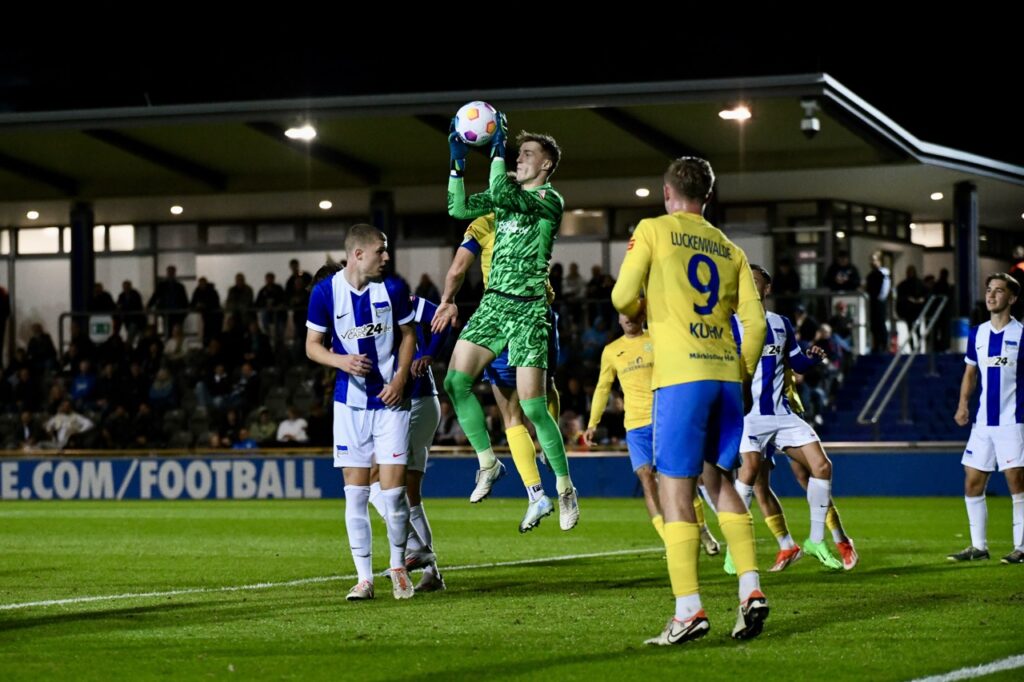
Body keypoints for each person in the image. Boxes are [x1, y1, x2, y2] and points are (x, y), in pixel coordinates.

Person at [611, 156, 768, 646]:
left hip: (680, 377)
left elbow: (621, 297)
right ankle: (751, 589)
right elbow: (757, 325)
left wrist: (641, 308)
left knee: (676, 490)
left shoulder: (653, 229)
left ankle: (688, 610)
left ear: (666, 192)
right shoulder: (730, 248)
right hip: (725, 375)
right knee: (717, 481)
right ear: (709, 195)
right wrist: (740, 374)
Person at [441, 111, 579, 530]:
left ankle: (565, 487)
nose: (519, 159)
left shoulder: (549, 200)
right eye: (516, 153)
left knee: (535, 408)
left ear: (546, 165)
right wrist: (457, 163)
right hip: (494, 306)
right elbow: (459, 206)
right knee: (454, 382)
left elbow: (503, 189)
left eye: (527, 154)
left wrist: (496, 152)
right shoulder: (504, 201)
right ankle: (488, 462)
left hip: (528, 308)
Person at [305, 224, 418, 600]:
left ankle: (399, 567)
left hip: (391, 403)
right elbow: (312, 346)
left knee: (393, 496)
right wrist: (340, 361)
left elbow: (408, 337)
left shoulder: (395, 289)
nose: (386, 258)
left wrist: (401, 378)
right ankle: (365, 578)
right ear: (358, 255)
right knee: (354, 496)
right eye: (380, 252)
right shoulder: (325, 292)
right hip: (350, 405)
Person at [432, 209, 564, 532]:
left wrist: (448, 298)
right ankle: (535, 491)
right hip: (515, 313)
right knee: (519, 408)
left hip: (526, 313)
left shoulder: (491, 222)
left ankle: (532, 472)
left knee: (525, 405)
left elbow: (458, 267)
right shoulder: (525, 216)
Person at [727, 264, 854, 572]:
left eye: (755, 281)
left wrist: (810, 358)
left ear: (766, 288)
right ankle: (737, 548)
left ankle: (815, 540)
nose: (749, 285)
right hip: (750, 414)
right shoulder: (729, 324)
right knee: (752, 475)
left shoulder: (781, 323)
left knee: (822, 466)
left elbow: (796, 364)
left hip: (782, 413)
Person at [583, 310, 721, 554]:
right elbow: (603, 387)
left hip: (665, 420)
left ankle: (701, 529)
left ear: (642, 314)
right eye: (623, 314)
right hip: (635, 427)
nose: (628, 318)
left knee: (681, 478)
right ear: (617, 318)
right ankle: (670, 540)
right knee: (647, 480)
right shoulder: (612, 351)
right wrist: (593, 423)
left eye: (632, 313)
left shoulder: (656, 340)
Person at [949, 272, 1024, 565]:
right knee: (972, 482)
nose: (991, 295)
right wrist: (962, 405)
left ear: (1012, 298)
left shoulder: (1021, 334)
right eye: (989, 290)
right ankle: (978, 546)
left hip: (1013, 421)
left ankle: (1021, 546)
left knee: (1016, 482)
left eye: (999, 291)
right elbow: (970, 373)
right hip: (983, 423)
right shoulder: (977, 333)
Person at [147, 265, 188, 337]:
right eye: (169, 272)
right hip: (166, 311)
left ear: (174, 273)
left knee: (177, 330)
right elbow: (155, 296)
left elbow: (184, 300)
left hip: (177, 312)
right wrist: (149, 306)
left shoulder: (179, 286)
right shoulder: (162, 285)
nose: (170, 274)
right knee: (168, 330)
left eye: (172, 272)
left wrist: (184, 312)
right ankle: (169, 345)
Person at [865, 252, 891, 353]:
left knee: (880, 323)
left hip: (879, 302)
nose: (872, 262)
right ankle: (876, 345)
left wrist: (880, 298)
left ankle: (883, 345)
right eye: (871, 260)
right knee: (874, 324)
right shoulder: (871, 275)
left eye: (874, 260)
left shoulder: (883, 273)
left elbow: (885, 287)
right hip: (872, 302)